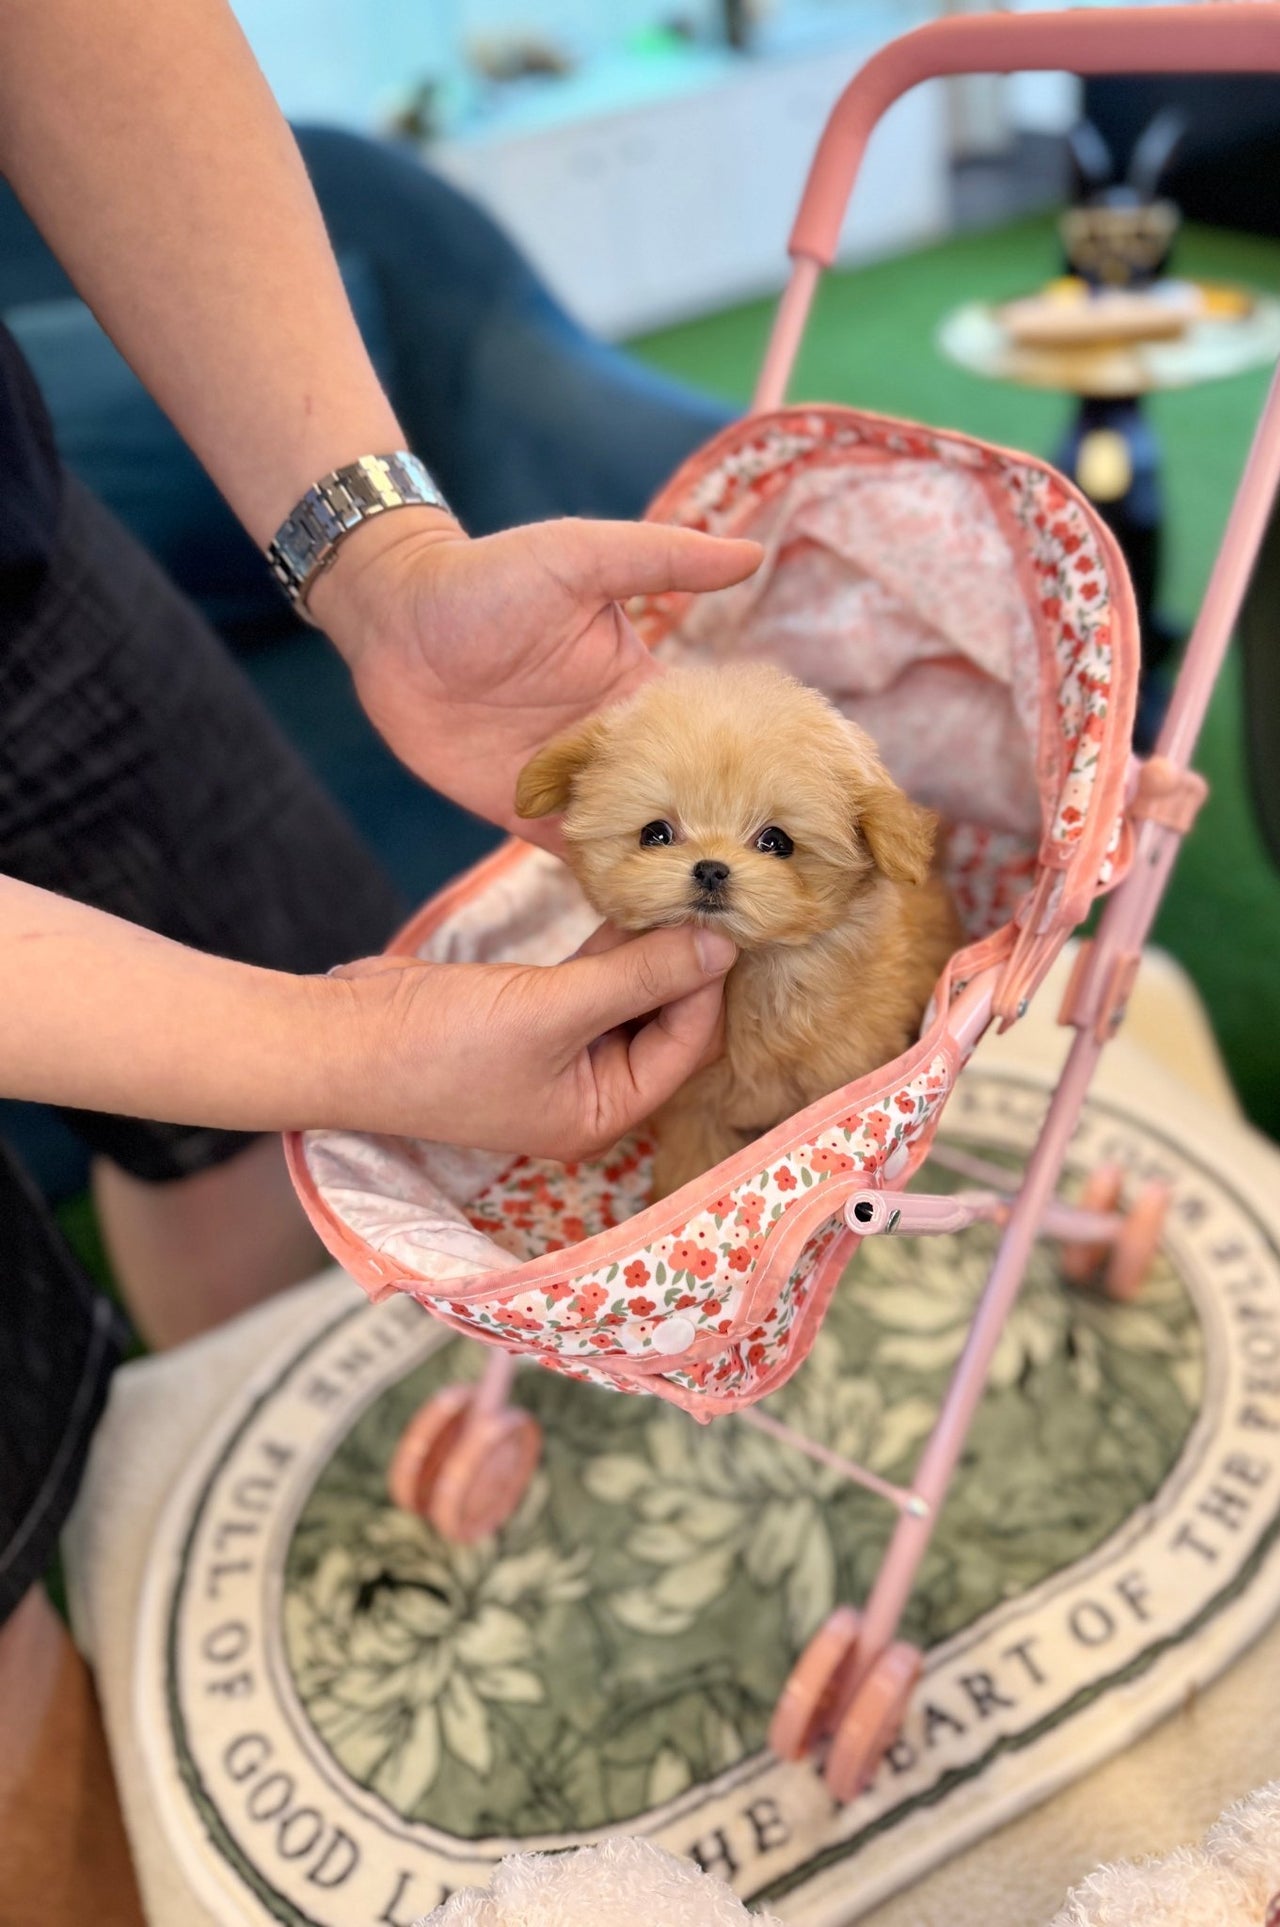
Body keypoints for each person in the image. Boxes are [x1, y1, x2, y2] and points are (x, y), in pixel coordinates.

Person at [0, 0, 759, 1913]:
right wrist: (340, 1050)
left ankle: (286, 1569)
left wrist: (389, 572)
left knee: (265, 1167)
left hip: (21, 552)